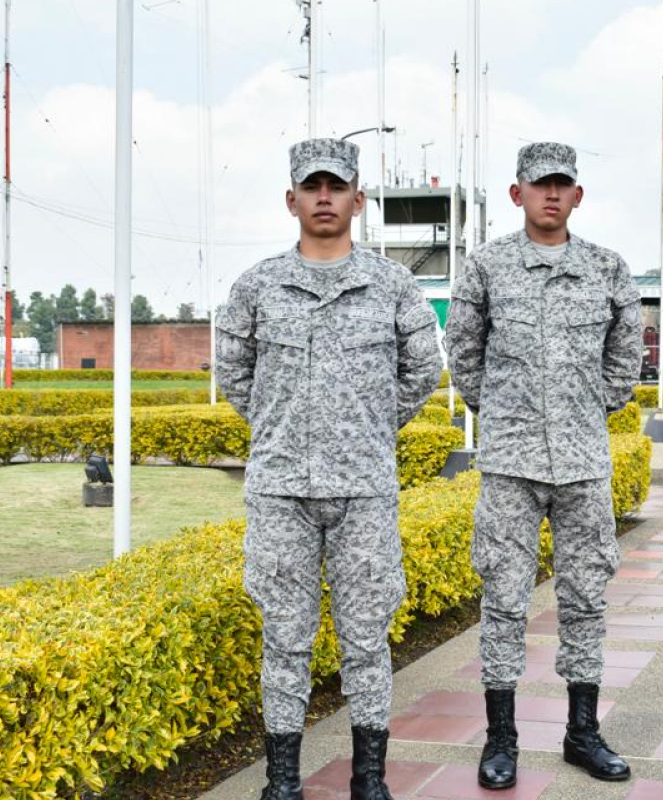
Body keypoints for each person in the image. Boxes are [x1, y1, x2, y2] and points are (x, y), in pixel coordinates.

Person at [216, 138, 442, 800]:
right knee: (284, 637)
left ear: (358, 200)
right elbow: (234, 374)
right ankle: (282, 780)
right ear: (292, 199)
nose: (323, 197)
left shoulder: (393, 285)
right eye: (311, 186)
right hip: (281, 492)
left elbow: (421, 370)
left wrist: (367, 429)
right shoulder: (257, 286)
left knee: (367, 638)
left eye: (336, 186)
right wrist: (284, 427)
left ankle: (368, 777)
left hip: (364, 492)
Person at [445, 141, 643, 789]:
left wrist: (587, 408)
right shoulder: (486, 269)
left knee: (586, 596)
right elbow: (465, 357)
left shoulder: (607, 270)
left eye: (562, 185)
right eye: (539, 184)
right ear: (517, 193)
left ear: (578, 196)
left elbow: (625, 360)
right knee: (502, 596)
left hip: (584, 463)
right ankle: (501, 738)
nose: (551, 195)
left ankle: (582, 733)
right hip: (510, 466)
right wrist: (503, 413)